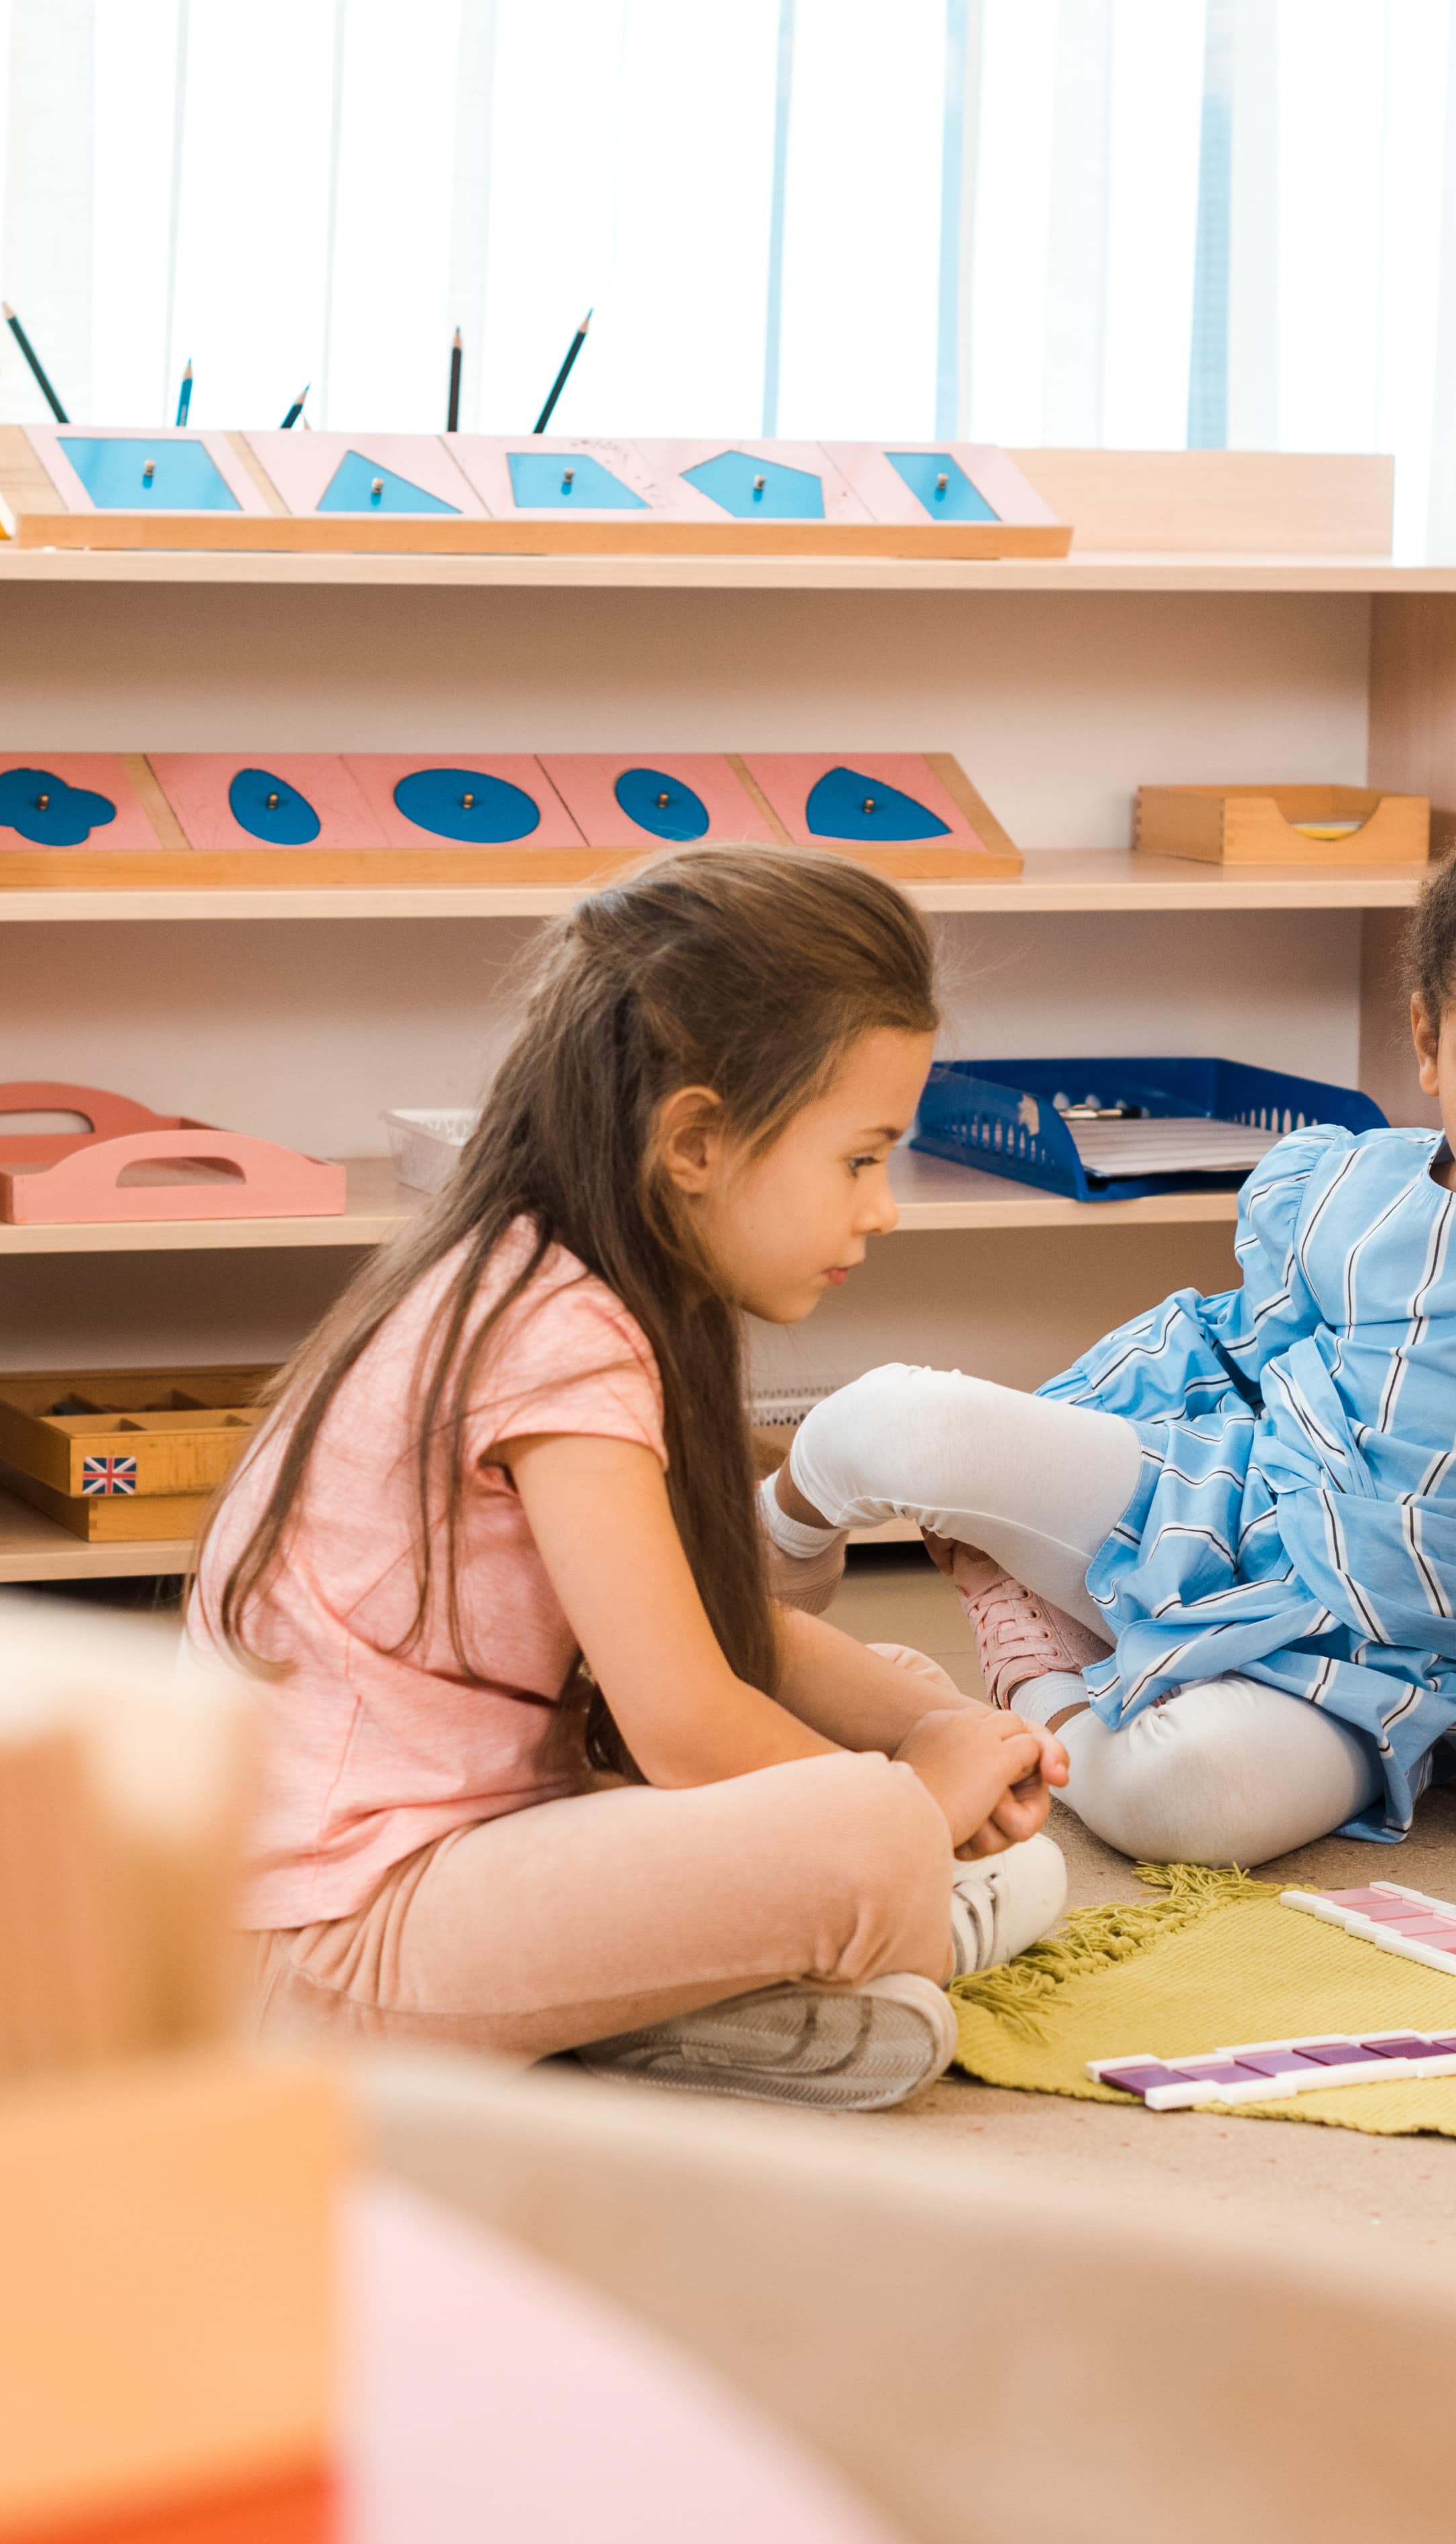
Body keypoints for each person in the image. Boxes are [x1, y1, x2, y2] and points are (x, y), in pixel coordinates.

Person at [766, 746, 1456, 1869]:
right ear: (1427, 1037)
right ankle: (742, 1595)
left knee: (1182, 1800)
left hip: (1401, 1669)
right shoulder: (1342, 1188)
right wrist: (1040, 1447)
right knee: (890, 1419)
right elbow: (1217, 1351)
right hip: (1224, 1510)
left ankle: (1030, 1684)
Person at [194, 848, 1075, 2113]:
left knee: (908, 1701)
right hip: (332, 1945)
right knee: (872, 1833)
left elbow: (708, 1634)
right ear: (699, 1141)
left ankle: (685, 2005)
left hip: (449, 1864)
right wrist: (914, 1799)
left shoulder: (559, 1280)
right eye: (860, 1158)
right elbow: (682, 1722)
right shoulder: (556, 1331)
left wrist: (922, 1733)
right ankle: (899, 1925)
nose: (883, 1208)